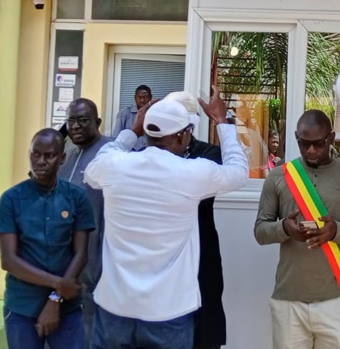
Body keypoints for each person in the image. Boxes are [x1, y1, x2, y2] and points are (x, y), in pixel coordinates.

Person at [84, 91, 249, 349]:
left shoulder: (115, 166)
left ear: (147, 131)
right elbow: (238, 172)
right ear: (183, 135)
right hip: (168, 311)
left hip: (114, 307)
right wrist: (222, 122)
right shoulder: (191, 173)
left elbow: (96, 165)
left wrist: (132, 131)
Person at [254, 109, 340, 349]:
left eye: (317, 144)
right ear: (297, 138)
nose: (310, 150)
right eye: (304, 144)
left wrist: (335, 231)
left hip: (335, 300)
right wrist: (285, 229)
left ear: (331, 138)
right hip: (288, 301)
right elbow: (260, 232)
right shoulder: (278, 177)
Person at [0, 128, 96, 349]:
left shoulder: (77, 197)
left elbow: (81, 254)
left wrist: (55, 299)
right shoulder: (11, 199)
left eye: (49, 155)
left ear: (62, 158)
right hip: (22, 306)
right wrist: (58, 284)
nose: (41, 161)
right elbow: (8, 261)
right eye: (35, 154)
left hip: (68, 307)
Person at [162, 90, 228, 349]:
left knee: (203, 328)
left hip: (201, 253)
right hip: (162, 256)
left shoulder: (208, 154)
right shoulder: (146, 156)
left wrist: (222, 122)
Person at [58, 98, 116, 342]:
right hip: (64, 257)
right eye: (71, 121)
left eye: (83, 120)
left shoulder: (112, 151)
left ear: (98, 122)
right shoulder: (67, 155)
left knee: (92, 322)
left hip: (99, 256)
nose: (76, 127)